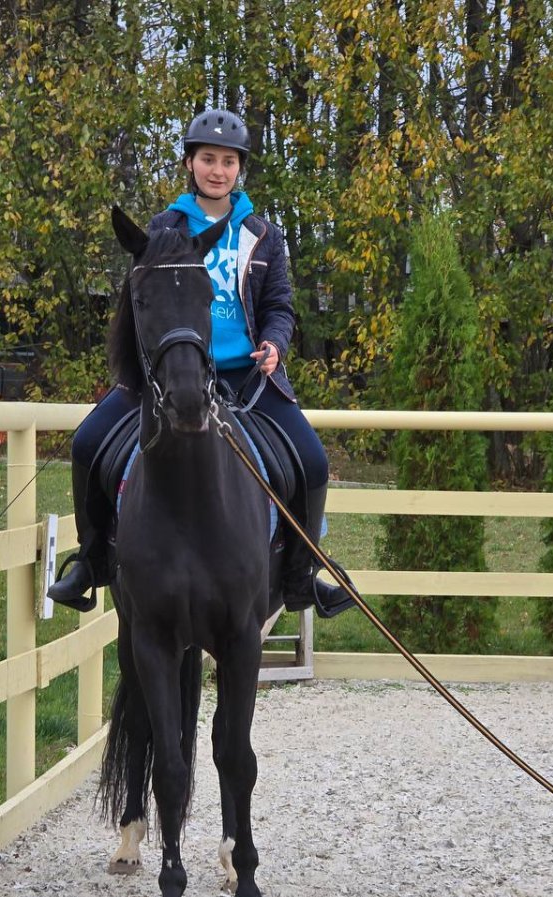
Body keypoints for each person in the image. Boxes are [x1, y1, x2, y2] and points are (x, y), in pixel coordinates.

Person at [48, 108, 349, 617]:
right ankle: (93, 559)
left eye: (228, 161)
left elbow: (279, 307)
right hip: (168, 375)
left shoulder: (264, 235)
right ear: (190, 163)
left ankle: (302, 575)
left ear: (240, 169)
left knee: (313, 462)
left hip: (246, 379)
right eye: (207, 158)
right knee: (86, 443)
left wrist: (275, 345)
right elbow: (138, 304)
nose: (217, 170)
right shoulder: (164, 228)